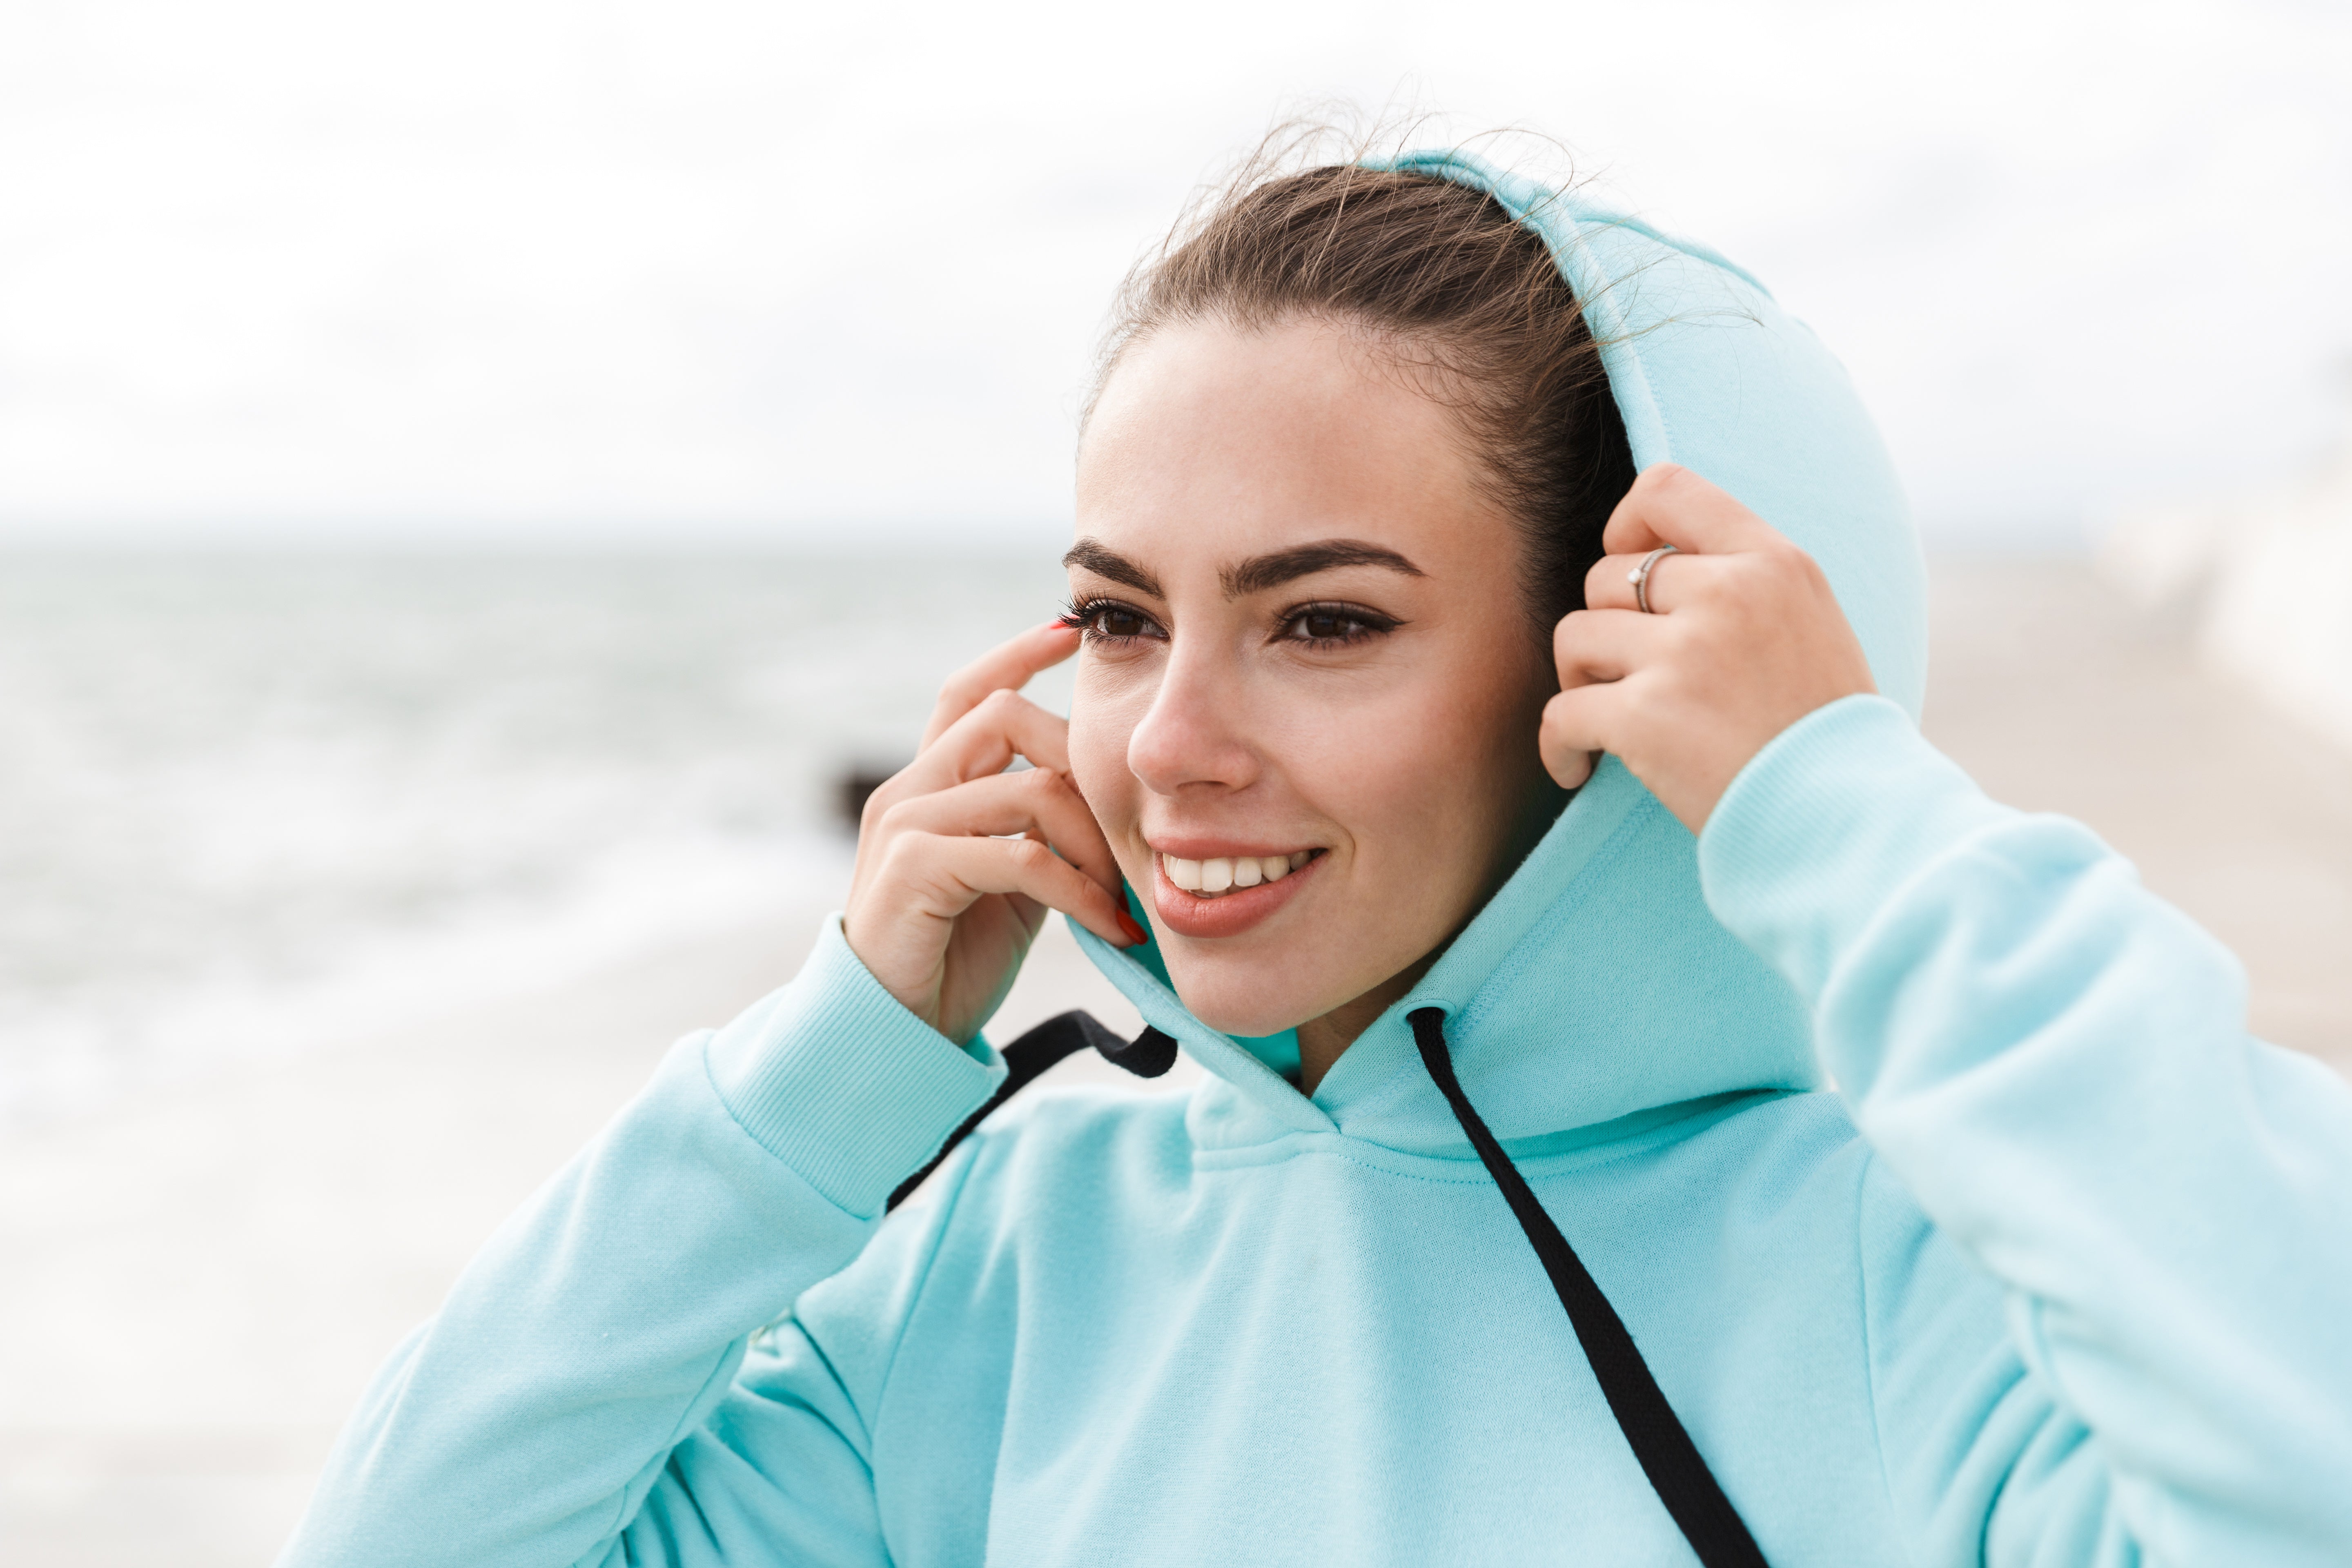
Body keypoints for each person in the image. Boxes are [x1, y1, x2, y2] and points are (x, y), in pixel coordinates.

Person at [280, 142, 2352, 1567]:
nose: (1169, 742)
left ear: (1615, 670)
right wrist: (820, 1082)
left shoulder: (1902, 1267)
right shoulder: (1002, 1274)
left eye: (1327, 622)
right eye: (1116, 619)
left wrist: (1846, 816)